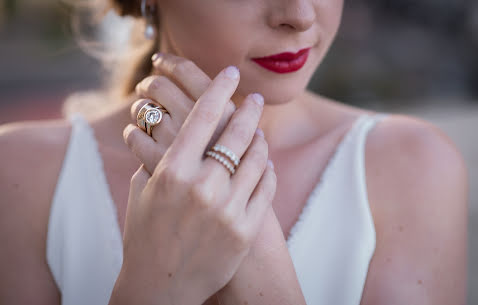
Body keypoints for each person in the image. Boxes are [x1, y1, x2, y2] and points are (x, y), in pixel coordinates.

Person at [0, 0, 469, 304]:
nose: (300, 15)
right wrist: (156, 285)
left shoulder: (412, 166)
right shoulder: (20, 174)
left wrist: (254, 246)